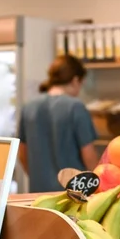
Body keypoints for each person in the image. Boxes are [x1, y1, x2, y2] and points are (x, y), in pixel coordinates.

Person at [18, 55, 99, 192]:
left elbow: (22, 153)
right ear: (75, 80)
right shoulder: (75, 107)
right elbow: (88, 155)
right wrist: (97, 183)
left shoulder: (29, 107)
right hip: (72, 193)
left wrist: (39, 177)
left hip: (38, 193)